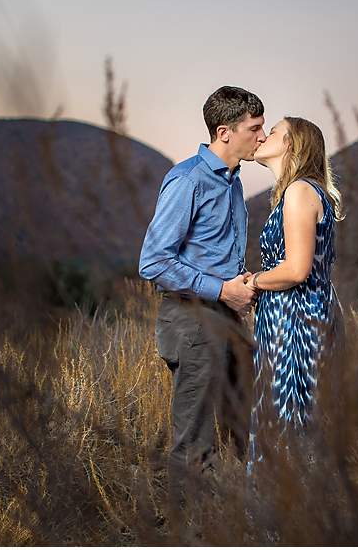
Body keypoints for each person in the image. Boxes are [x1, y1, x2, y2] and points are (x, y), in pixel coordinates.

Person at [139, 85, 264, 507]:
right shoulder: (188, 178)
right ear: (225, 132)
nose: (261, 137)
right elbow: (153, 261)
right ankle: (188, 530)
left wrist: (238, 282)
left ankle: (237, 521)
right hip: (192, 320)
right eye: (255, 128)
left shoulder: (232, 183)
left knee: (246, 424)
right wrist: (221, 288)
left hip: (227, 318)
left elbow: (211, 254)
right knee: (195, 438)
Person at [244, 116, 344, 463]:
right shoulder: (299, 191)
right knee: (293, 421)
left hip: (295, 321)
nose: (263, 136)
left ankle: (286, 513)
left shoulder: (300, 191)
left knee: (289, 422)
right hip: (295, 315)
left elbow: (297, 269)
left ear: (292, 144)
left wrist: (254, 281)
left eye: (272, 132)